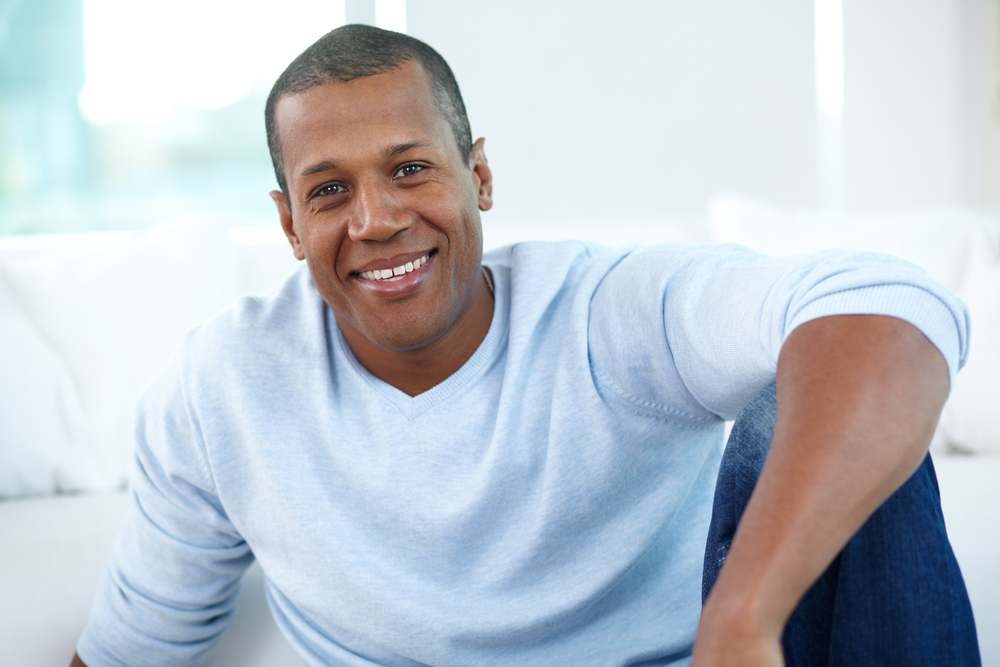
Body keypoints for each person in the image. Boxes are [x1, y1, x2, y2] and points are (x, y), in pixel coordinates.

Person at [72, 24, 979, 667]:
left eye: (410, 169)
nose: (378, 220)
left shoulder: (608, 312)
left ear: (480, 175)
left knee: (814, 397)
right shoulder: (221, 388)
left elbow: (883, 305)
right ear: (288, 221)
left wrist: (740, 621)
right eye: (329, 191)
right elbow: (129, 648)